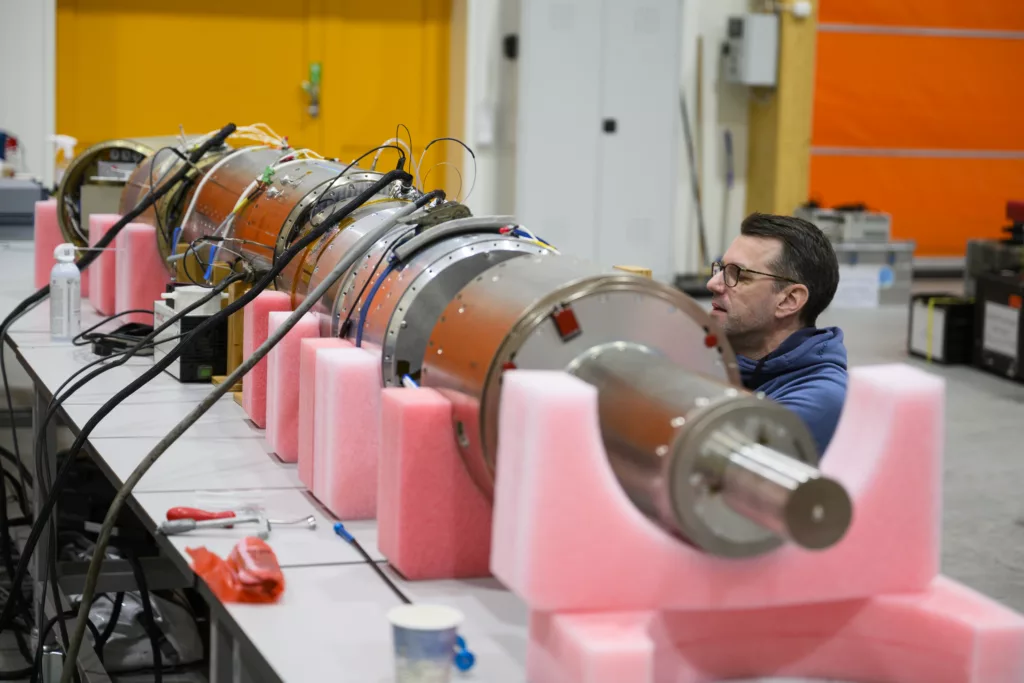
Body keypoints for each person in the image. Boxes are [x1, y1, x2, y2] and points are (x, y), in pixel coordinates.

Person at [706, 212, 847, 456]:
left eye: (738, 274)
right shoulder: (724, 357)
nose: (713, 283)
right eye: (720, 268)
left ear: (789, 300)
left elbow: (713, 464)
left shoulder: (818, 399)